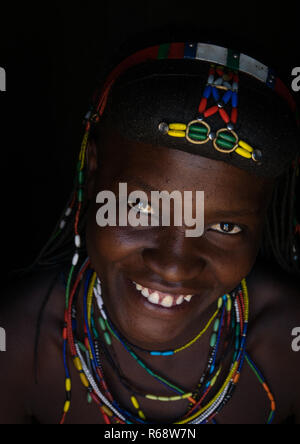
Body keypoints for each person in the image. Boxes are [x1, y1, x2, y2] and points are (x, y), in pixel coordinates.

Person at [1, 40, 300, 425]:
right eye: (142, 207)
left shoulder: (287, 347)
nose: (174, 266)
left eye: (225, 226)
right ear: (93, 174)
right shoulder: (20, 347)